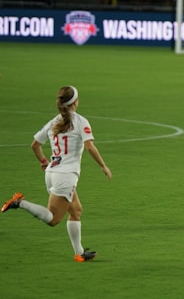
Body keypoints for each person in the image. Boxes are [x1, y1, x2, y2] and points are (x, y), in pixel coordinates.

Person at [1, 85, 112, 262]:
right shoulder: (80, 121)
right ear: (75, 102)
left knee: (76, 210)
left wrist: (44, 162)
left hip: (52, 173)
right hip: (65, 177)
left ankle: (79, 253)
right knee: (53, 219)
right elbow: (90, 146)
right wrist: (103, 166)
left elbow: (35, 145)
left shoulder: (54, 122)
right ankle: (20, 203)